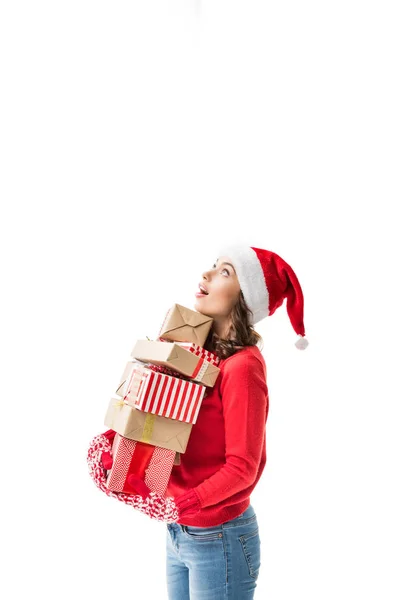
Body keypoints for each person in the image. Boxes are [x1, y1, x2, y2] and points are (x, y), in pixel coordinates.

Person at [131, 243, 308, 600]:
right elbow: (170, 431)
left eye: (225, 271)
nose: (207, 274)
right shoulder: (198, 356)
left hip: (219, 536)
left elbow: (243, 467)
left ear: (246, 298)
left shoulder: (242, 367)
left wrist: (186, 503)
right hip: (179, 530)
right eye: (213, 265)